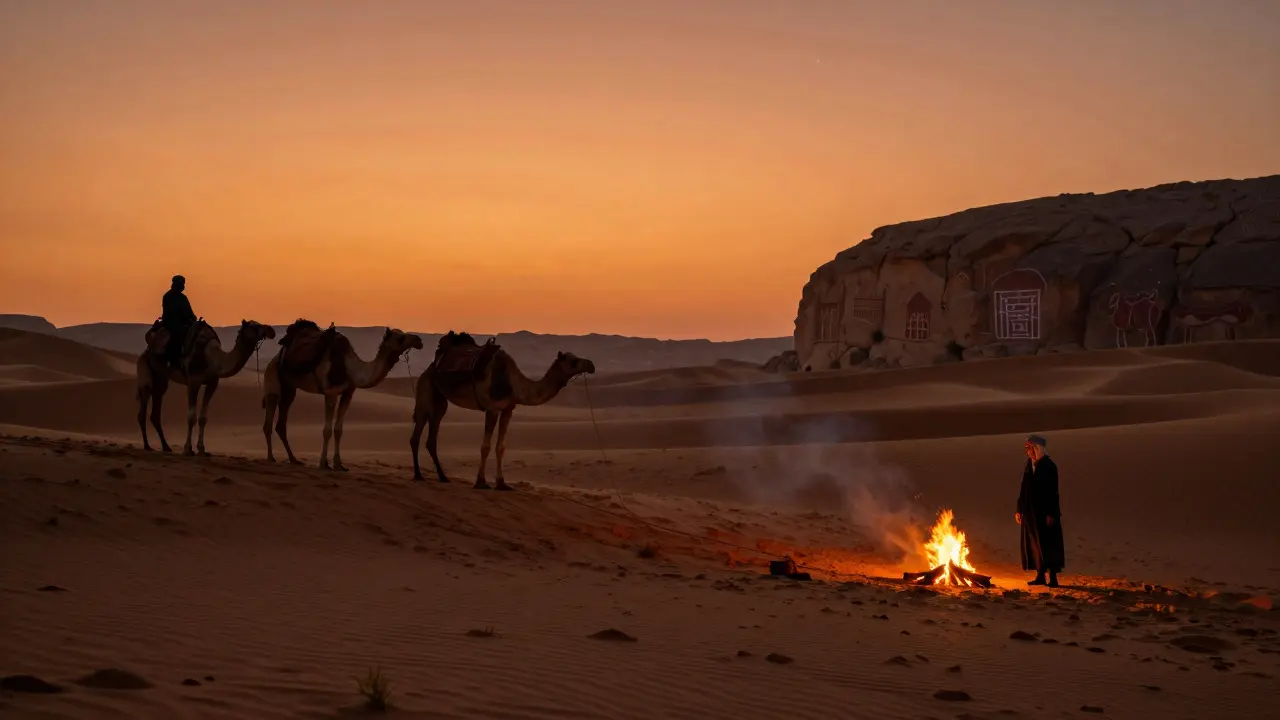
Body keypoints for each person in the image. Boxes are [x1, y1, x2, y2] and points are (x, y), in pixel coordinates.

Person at [1016, 434, 1065, 587]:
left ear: (1036, 448)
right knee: (1034, 545)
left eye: (1029, 448)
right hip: (1030, 513)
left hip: (1045, 514)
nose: (1027, 451)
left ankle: (1053, 578)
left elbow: (1053, 492)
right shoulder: (1029, 465)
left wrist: (1051, 513)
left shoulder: (1049, 466)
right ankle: (1040, 576)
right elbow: (1024, 488)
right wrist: (1019, 509)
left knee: (1048, 545)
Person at [161, 274, 197, 366]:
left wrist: (193, 319)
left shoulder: (183, 298)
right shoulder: (168, 297)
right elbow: (170, 314)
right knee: (176, 338)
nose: (182, 286)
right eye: (180, 284)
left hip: (186, 324)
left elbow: (190, 312)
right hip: (172, 325)